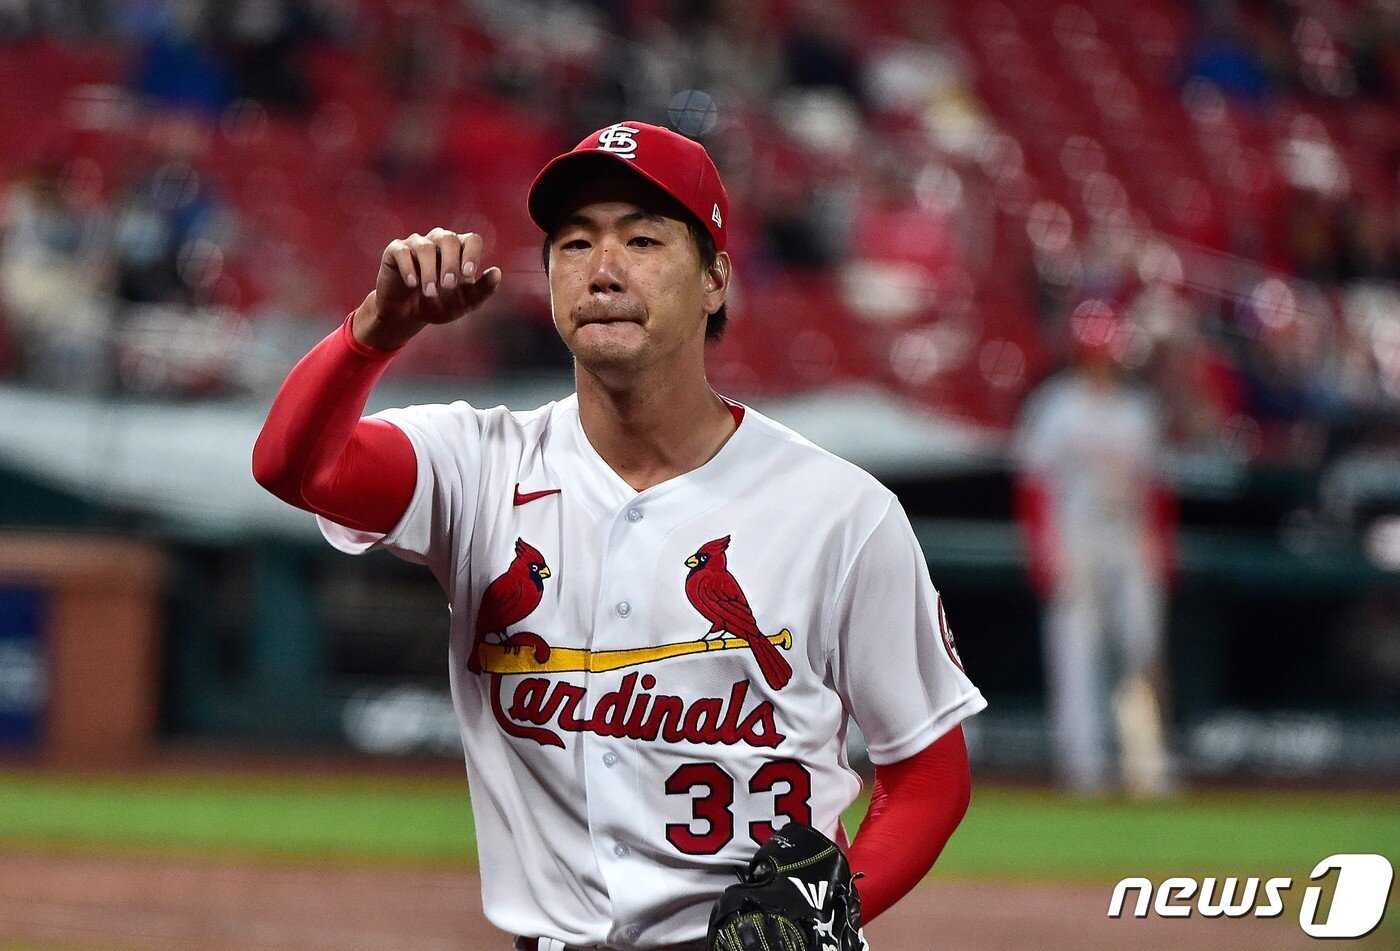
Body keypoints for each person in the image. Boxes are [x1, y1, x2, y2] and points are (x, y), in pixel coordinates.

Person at [253, 120, 985, 950]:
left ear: (715, 279)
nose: (603, 270)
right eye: (574, 244)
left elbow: (929, 774)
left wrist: (829, 907)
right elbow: (292, 467)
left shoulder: (841, 512)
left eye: (641, 240)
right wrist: (373, 331)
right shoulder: (478, 463)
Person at [1013, 300, 1177, 798]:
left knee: (1142, 645)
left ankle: (1146, 764)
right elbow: (1033, 485)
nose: (1100, 358)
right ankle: (1084, 766)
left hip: (1128, 538)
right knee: (1075, 650)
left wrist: (1160, 548)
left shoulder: (1139, 411)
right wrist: (1042, 549)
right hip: (1074, 536)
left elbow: (1157, 487)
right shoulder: (1054, 406)